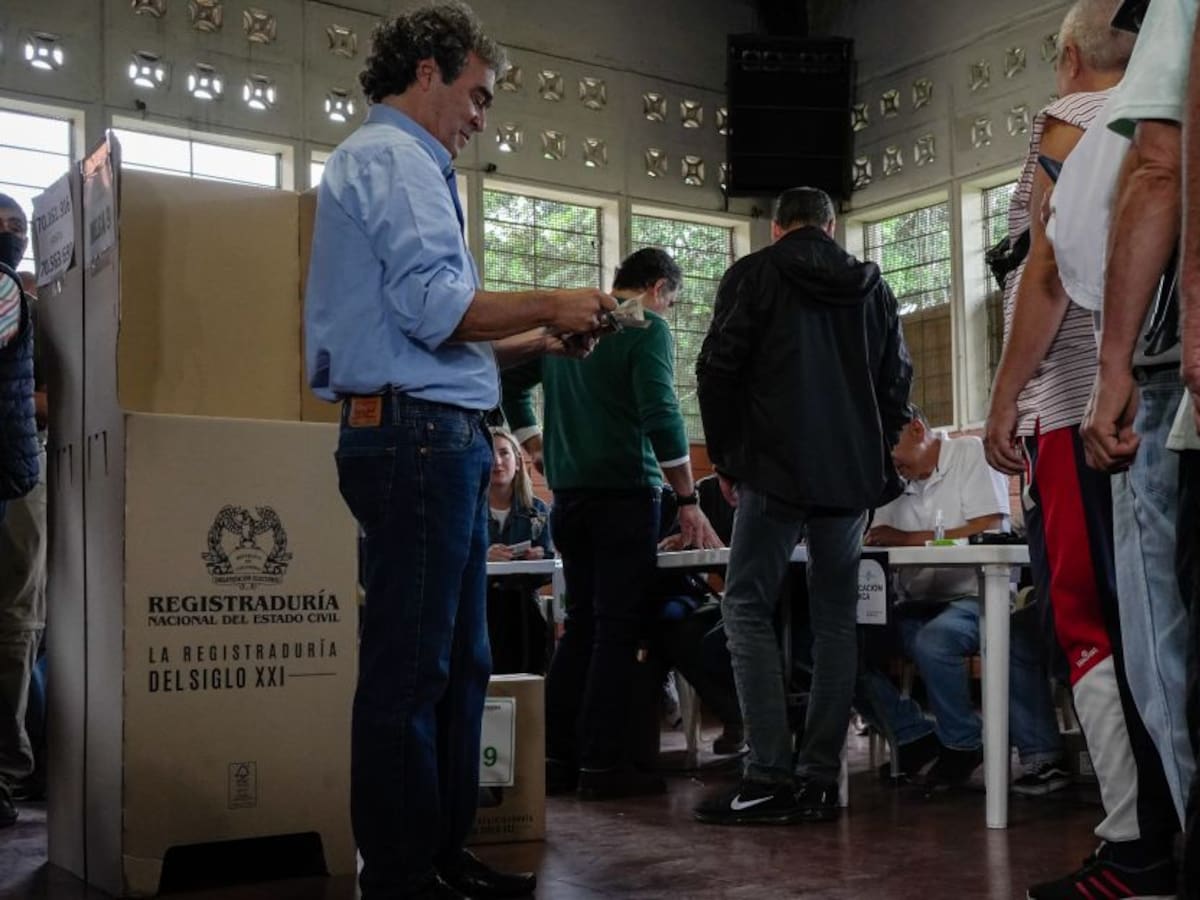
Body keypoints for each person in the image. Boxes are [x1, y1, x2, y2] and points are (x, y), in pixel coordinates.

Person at [303, 4, 616, 897]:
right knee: (413, 667)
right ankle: (402, 873)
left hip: (433, 434)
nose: (485, 117)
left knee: (458, 663)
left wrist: (539, 341)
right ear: (429, 71)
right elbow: (437, 310)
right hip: (416, 440)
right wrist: (552, 300)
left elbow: (434, 338)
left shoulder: (401, 163)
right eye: (478, 95)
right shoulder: (396, 159)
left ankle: (437, 855)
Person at [692, 186, 912, 825]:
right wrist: (876, 454)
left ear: (775, 227)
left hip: (774, 468)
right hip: (849, 479)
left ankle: (767, 775)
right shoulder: (872, 288)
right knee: (837, 620)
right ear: (832, 226)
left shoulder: (753, 275)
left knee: (745, 609)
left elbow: (717, 369)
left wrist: (729, 460)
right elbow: (897, 384)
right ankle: (820, 779)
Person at [502, 247, 721, 800]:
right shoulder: (645, 327)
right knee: (618, 629)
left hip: (570, 498)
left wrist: (535, 446)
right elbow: (661, 413)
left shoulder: (572, 324)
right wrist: (688, 497)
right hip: (625, 494)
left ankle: (554, 758)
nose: (667, 311)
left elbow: (510, 385)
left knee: (581, 626)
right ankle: (604, 765)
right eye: (670, 301)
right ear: (657, 289)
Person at [863, 411, 1066, 792]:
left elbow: (987, 528)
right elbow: (877, 535)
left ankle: (962, 744)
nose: (893, 464)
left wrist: (909, 539)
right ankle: (911, 734)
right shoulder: (894, 478)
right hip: (916, 601)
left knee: (935, 641)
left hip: (976, 595)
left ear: (918, 429)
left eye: (893, 452)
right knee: (846, 643)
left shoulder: (969, 453)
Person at [0, 197, 41, 830]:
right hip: (10, 471)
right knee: (14, 623)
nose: (16, 236)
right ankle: (6, 775)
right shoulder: (7, 286)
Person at [484, 426, 552, 675]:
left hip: (523, 607)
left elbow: (549, 567)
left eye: (504, 454)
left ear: (517, 462)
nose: (497, 462)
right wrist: (484, 557)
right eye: (490, 455)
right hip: (480, 605)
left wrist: (539, 558)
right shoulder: (466, 510)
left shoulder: (537, 509)